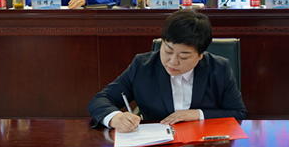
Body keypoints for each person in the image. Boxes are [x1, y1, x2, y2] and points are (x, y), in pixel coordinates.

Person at [88, 11, 247, 133]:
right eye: (168, 51)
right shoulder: (142, 66)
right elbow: (100, 100)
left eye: (183, 56)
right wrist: (115, 118)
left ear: (200, 55)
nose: (173, 62)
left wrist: (197, 114)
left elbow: (238, 113)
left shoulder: (219, 68)